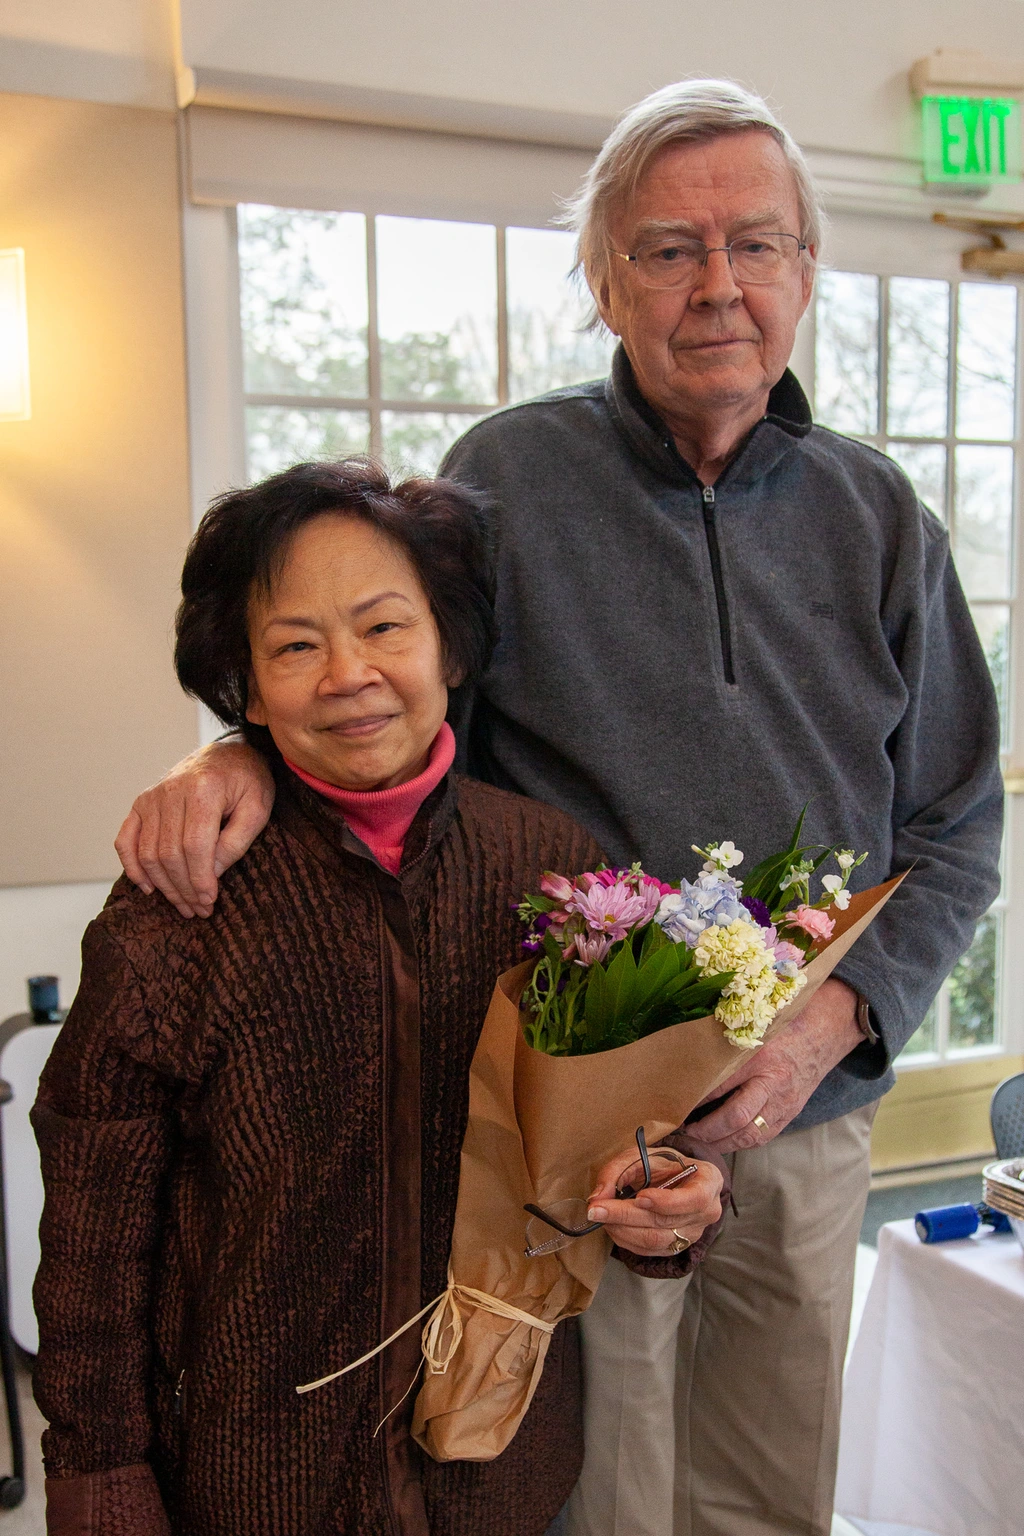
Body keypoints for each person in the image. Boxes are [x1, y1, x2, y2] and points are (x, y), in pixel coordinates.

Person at [113, 81, 1004, 1536]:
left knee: (772, 1500)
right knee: (591, 1499)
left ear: (805, 270)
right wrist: (237, 758)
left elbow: (957, 823)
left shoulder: (880, 513)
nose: (717, 285)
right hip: (567, 1128)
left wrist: (824, 1035)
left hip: (805, 1115)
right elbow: (383, 697)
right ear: (602, 281)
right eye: (668, 249)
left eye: (756, 244)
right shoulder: (505, 481)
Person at [33, 459, 725, 1536]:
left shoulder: (553, 867)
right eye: (294, 646)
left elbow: (628, 1127)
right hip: (254, 1474)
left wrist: (671, 1204)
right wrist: (98, 1465)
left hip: (499, 1460)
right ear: (246, 689)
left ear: (450, 648)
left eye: (384, 627)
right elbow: (93, 1215)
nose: (348, 674)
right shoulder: (184, 898)